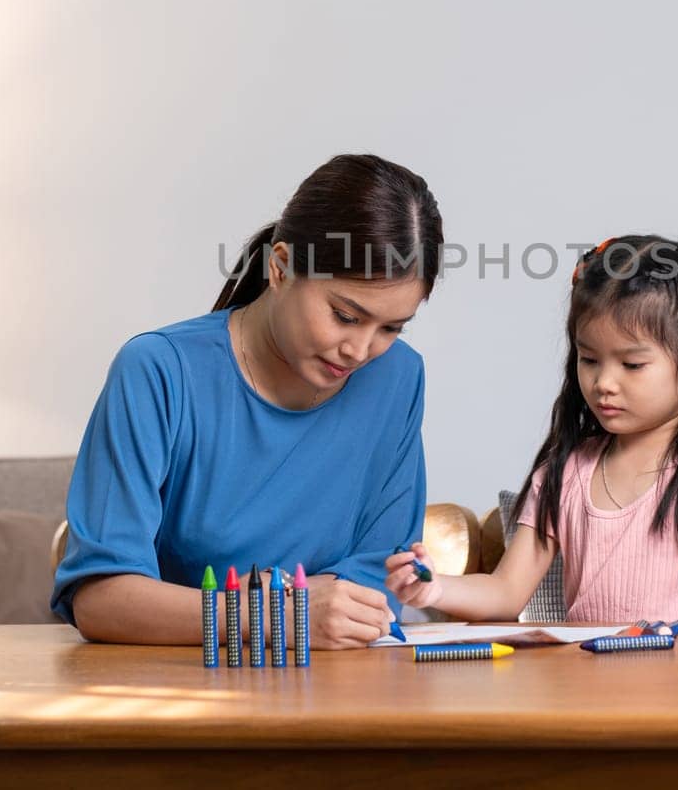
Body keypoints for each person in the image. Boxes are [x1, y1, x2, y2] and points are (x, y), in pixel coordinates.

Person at [53, 153, 443, 648]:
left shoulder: (398, 377)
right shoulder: (158, 370)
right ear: (280, 268)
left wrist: (266, 605)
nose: (361, 350)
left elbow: (377, 581)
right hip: (179, 686)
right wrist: (278, 613)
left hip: (342, 686)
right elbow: (102, 599)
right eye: (345, 315)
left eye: (390, 327)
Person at [387, 235, 678, 626]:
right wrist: (434, 589)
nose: (604, 383)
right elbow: (506, 592)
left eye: (631, 365)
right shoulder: (565, 472)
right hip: (590, 686)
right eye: (590, 359)